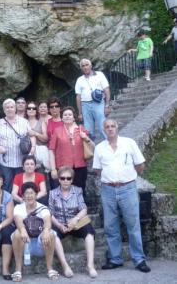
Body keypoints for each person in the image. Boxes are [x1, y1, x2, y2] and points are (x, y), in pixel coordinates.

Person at [93, 119, 151, 273]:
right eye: (107, 127)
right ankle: (115, 259)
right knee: (110, 226)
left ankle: (139, 260)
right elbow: (98, 170)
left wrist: (127, 177)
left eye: (113, 126)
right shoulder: (99, 148)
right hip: (108, 190)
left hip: (128, 188)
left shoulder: (129, 143)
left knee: (133, 225)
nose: (110, 129)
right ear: (104, 130)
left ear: (117, 128)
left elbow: (140, 165)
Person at [49, 166, 97, 278]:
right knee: (53, 235)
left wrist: (75, 219)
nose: (66, 181)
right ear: (59, 179)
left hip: (75, 223)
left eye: (68, 178)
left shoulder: (78, 191)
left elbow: (84, 209)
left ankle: (90, 265)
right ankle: (65, 266)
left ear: (72, 179)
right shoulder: (52, 193)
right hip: (60, 223)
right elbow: (50, 213)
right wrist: (59, 225)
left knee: (89, 233)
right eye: (63, 178)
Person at [11, 182, 59, 282]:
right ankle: (18, 270)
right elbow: (18, 220)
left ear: (36, 195)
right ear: (23, 196)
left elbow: (47, 220)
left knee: (50, 233)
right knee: (17, 233)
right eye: (26, 193)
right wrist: (23, 230)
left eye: (31, 193)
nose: (29, 196)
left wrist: (46, 230)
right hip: (24, 244)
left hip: (40, 244)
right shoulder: (18, 208)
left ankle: (50, 269)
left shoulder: (43, 208)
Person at [49, 106, 94, 194]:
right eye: (65, 115)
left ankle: (81, 208)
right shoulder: (57, 131)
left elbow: (93, 147)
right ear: (62, 118)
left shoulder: (81, 129)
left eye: (70, 114)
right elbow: (51, 150)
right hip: (63, 168)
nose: (67, 116)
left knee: (80, 191)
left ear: (74, 118)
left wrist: (86, 138)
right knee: (65, 192)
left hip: (80, 167)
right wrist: (53, 169)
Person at [0, 99, 33, 192]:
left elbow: (31, 136)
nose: (9, 109)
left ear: (15, 108)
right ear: (4, 110)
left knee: (20, 184)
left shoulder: (24, 122)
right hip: (5, 160)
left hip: (21, 159)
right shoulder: (0, 123)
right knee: (7, 184)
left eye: (11, 107)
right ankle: (8, 205)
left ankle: (20, 204)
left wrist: (31, 150)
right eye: (7, 107)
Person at [75, 58, 111, 140]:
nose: (85, 67)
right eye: (83, 66)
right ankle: (91, 150)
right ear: (81, 68)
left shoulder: (100, 74)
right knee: (88, 130)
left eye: (87, 65)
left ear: (91, 66)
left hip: (98, 103)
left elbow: (106, 90)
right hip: (85, 105)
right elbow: (78, 96)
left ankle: (109, 146)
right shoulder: (79, 80)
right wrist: (80, 113)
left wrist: (107, 105)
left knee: (103, 127)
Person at [26, 101, 50, 172]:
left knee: (41, 177)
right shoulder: (22, 122)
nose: (31, 110)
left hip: (40, 156)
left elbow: (46, 139)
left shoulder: (41, 122)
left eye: (33, 108)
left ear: (36, 111)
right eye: (29, 108)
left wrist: (35, 133)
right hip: (26, 156)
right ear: (26, 110)